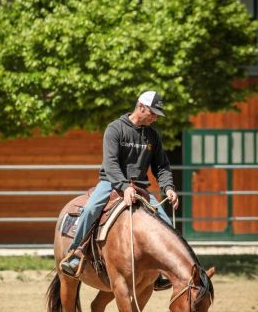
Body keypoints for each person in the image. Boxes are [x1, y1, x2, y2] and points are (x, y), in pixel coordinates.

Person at [61, 90, 179, 279]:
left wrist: (168, 187)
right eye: (153, 113)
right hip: (111, 183)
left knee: (166, 225)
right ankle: (75, 252)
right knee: (91, 208)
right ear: (141, 107)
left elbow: (161, 165)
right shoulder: (115, 129)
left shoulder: (153, 136)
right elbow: (111, 164)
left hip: (140, 187)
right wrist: (124, 187)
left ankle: (164, 271)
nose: (156, 118)